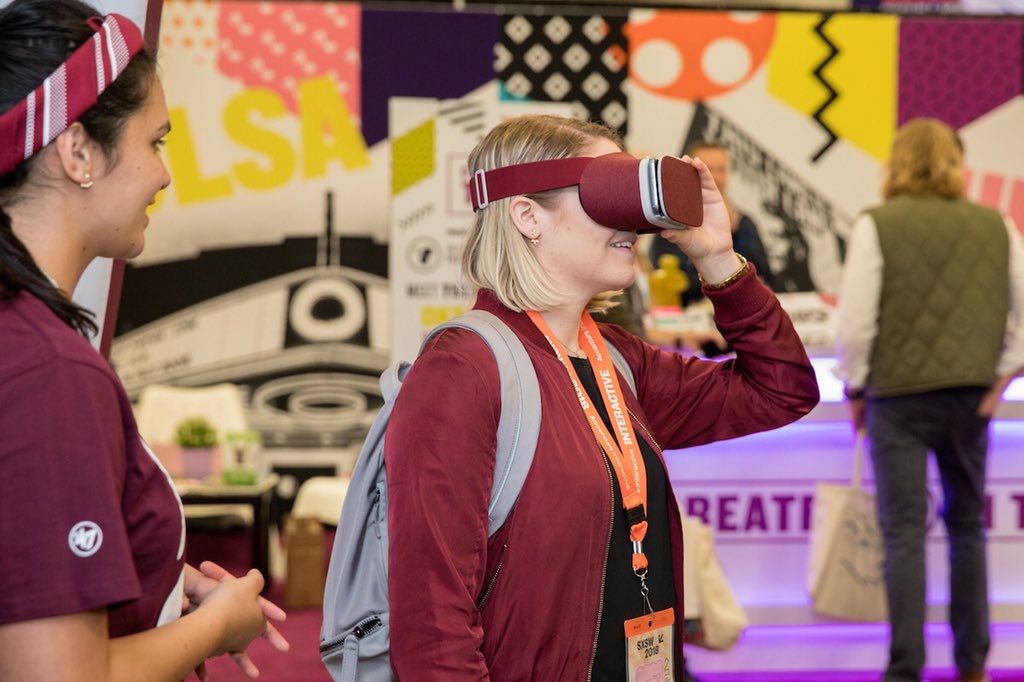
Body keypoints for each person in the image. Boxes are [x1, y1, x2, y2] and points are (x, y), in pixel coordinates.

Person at [384, 114, 819, 680]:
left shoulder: (616, 360)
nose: (630, 223)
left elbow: (781, 389)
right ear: (527, 216)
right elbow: (432, 618)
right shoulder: (463, 370)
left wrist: (716, 260)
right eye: (603, 193)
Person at [0, 1, 289, 679]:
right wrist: (217, 624)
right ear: (76, 152)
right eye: (154, 142)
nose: (163, 175)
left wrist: (155, 582)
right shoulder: (48, 369)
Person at [834, 117, 1024, 682]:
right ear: (953, 161)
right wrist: (1000, 377)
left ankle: (905, 669)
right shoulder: (997, 225)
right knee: (967, 527)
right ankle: (973, 667)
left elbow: (858, 323)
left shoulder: (877, 224)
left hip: (897, 401)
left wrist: (854, 385)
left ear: (895, 162)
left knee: (903, 533)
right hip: (970, 399)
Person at [649, 140, 773, 307]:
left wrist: (734, 233)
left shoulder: (744, 223)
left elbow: (763, 274)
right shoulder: (673, 222)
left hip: (739, 309)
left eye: (721, 169)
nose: (715, 177)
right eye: (708, 169)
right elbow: (671, 283)